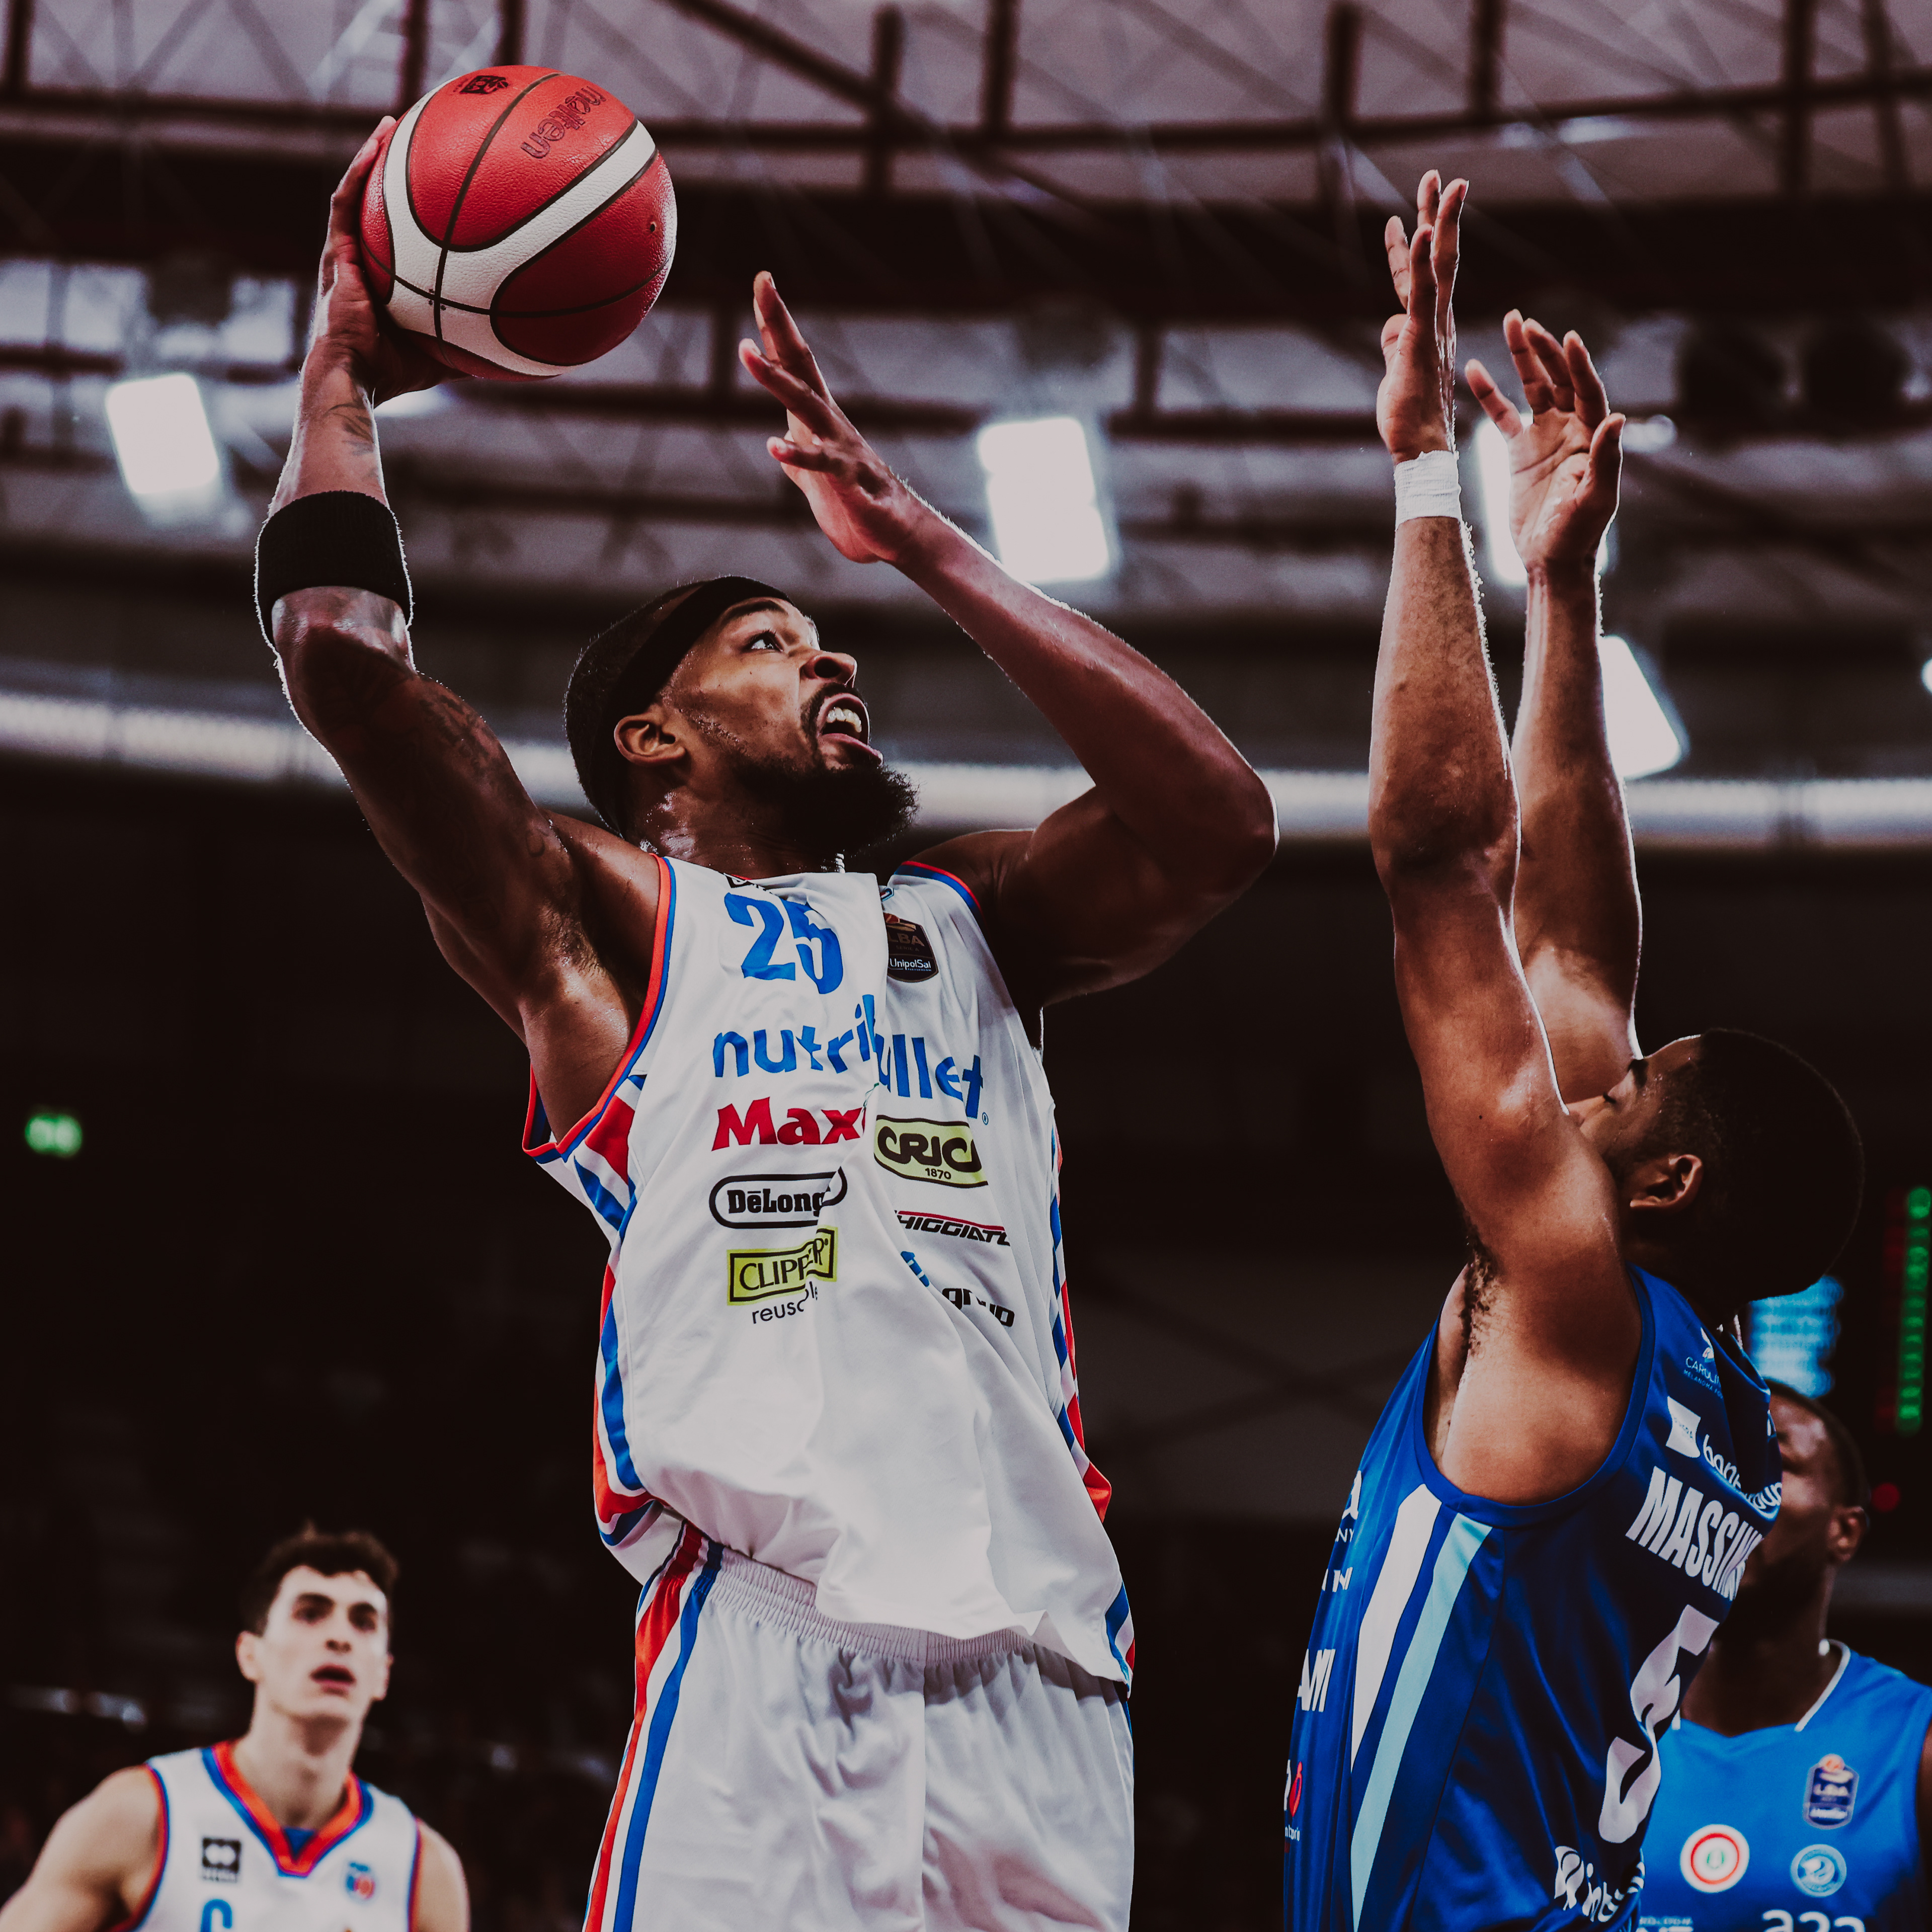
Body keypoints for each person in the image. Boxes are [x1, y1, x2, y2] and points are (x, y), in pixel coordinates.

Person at [253, 120, 1276, 1932]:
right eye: (768, 644)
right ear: (653, 738)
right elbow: (342, 656)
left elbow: (1219, 823)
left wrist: (921, 539)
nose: (833, 659)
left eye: (824, 636)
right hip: (772, 1657)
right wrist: (340, 377)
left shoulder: (971, 918)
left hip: (1053, 1678)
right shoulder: (607, 927)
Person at [1282, 172, 1866, 1931]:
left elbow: (1440, 865)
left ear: (1665, 1175)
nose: (1589, 1075)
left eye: (1629, 1084)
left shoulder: (1565, 1287)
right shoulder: (1714, 1402)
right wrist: (1561, 581)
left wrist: (1419, 477)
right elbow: (1577, 943)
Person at [0, 1528, 466, 1932]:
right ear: (250, 1654)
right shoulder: (143, 1816)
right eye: (310, 1613)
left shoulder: (425, 1870)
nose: (340, 1637)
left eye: (363, 1622)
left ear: (383, 1675)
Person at [1638, 1385, 1932, 1929]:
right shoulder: (1593, 1723)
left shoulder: (1918, 1743)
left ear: (1845, 1531)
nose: (1728, 1483)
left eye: (1772, 1460)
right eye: (1711, 1456)